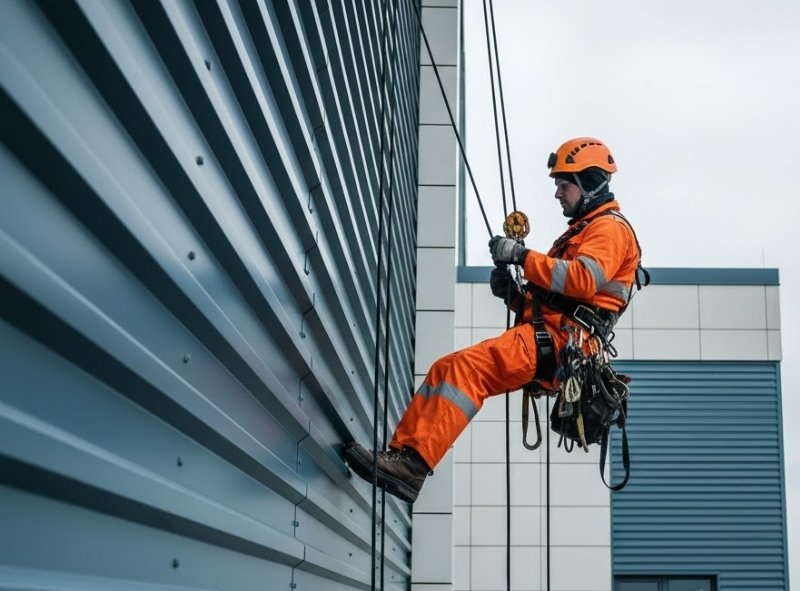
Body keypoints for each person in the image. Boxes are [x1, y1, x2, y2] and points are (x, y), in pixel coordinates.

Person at [343, 137, 644, 503]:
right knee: (448, 369)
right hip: (556, 336)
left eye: (563, 186)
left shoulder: (609, 229)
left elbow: (582, 280)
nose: (558, 195)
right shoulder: (585, 230)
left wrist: (521, 255)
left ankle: (412, 464)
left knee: (464, 370)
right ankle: (407, 457)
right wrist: (514, 296)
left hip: (565, 341)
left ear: (591, 182)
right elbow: (561, 297)